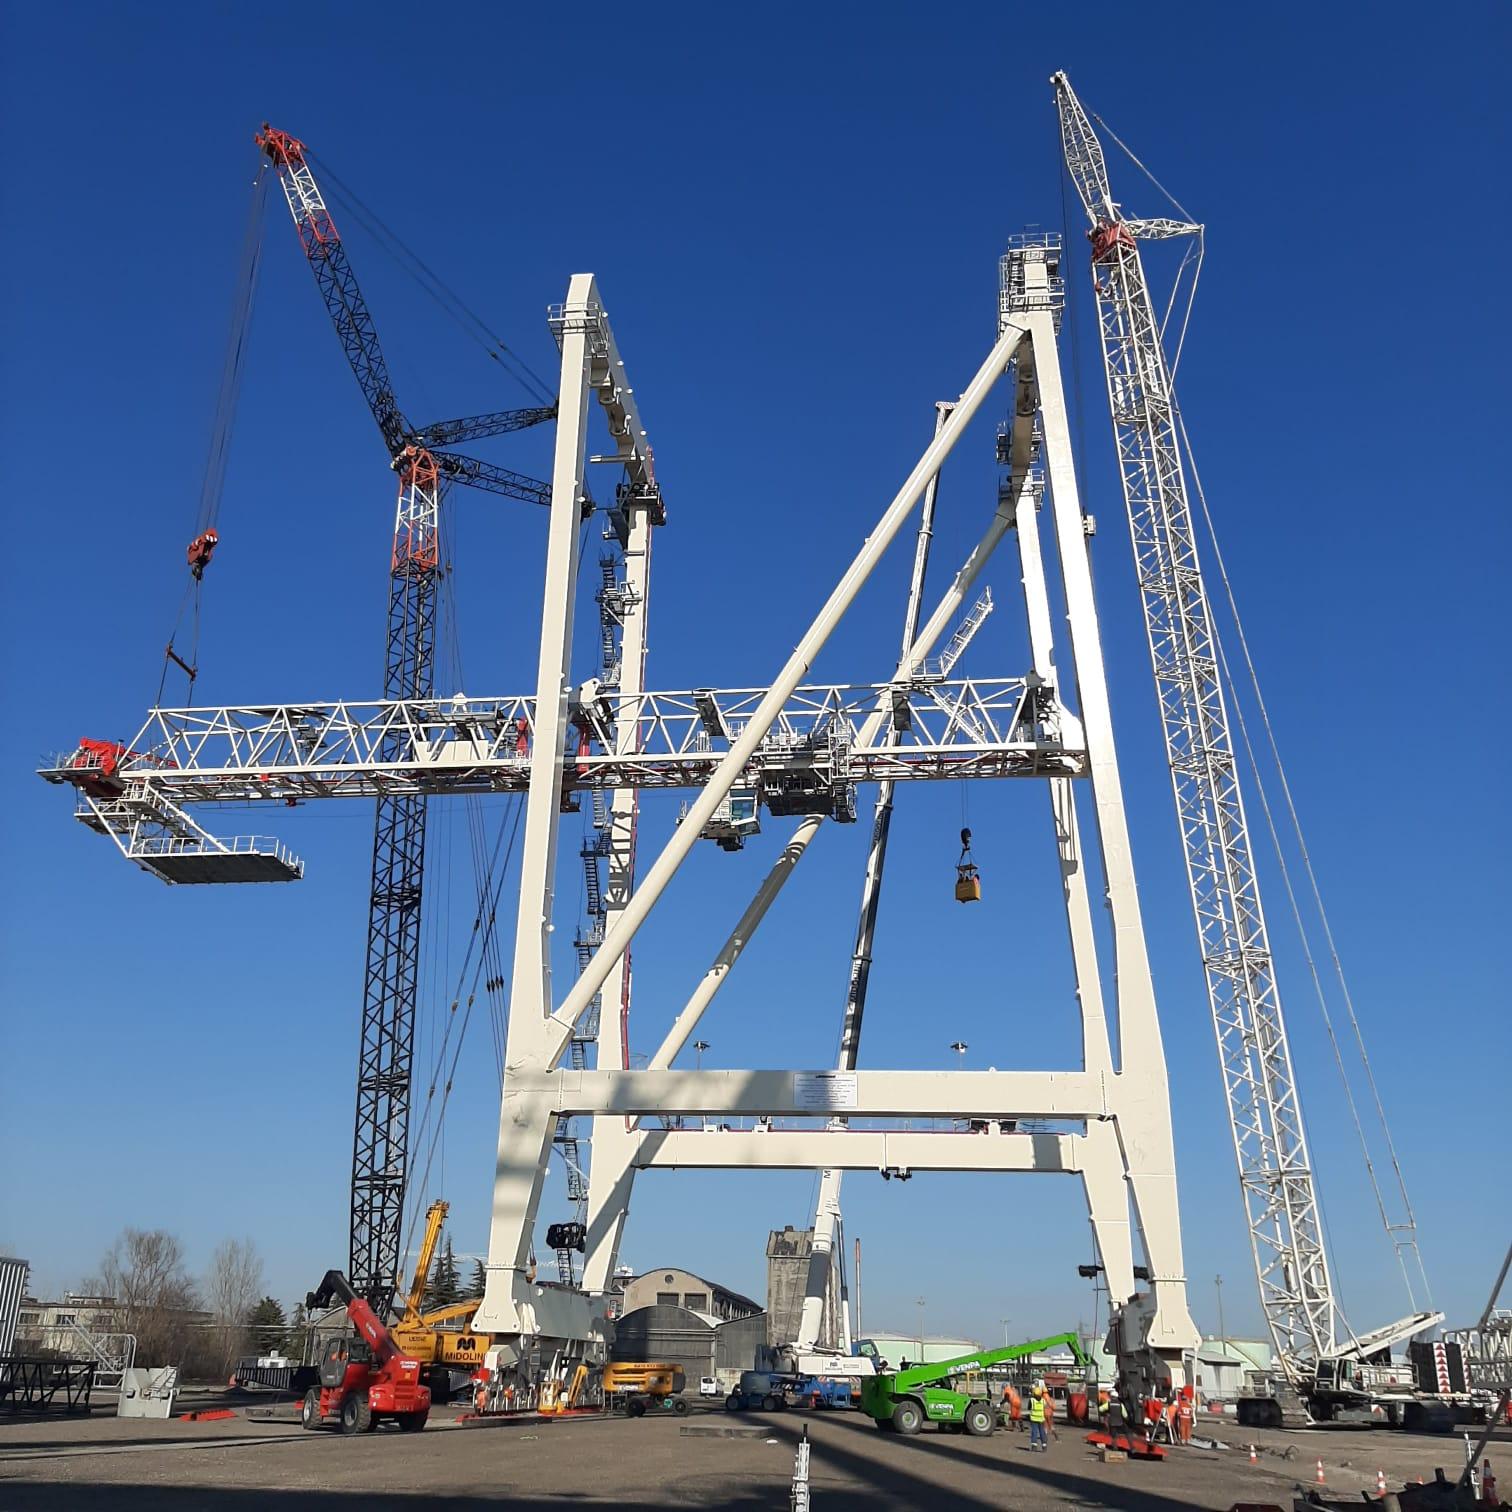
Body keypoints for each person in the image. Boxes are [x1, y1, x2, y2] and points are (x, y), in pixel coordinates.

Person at [1028, 1384, 1048, 1451]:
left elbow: (1029, 1408)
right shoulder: (1043, 1401)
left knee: (1034, 1432)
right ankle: (1044, 1446)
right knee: (1042, 1432)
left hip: (1033, 1419)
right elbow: (1045, 1407)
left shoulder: (1032, 1400)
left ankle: (1034, 1446)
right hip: (1041, 1419)